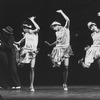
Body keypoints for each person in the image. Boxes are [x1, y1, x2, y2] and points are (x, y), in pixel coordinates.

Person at [45, 10, 73, 91]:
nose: (53, 29)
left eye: (54, 27)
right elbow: (57, 41)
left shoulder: (66, 28)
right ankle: (55, 62)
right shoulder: (56, 33)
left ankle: (65, 83)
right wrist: (50, 44)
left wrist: (61, 12)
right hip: (59, 48)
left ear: (57, 25)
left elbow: (68, 20)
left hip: (66, 48)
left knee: (66, 67)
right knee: (58, 63)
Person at [15, 16, 40, 92]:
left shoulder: (34, 32)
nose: (23, 30)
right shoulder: (26, 34)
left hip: (32, 52)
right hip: (25, 51)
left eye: (24, 28)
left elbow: (38, 28)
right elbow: (20, 41)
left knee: (32, 68)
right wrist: (15, 43)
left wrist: (32, 20)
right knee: (19, 64)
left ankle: (31, 85)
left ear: (26, 28)